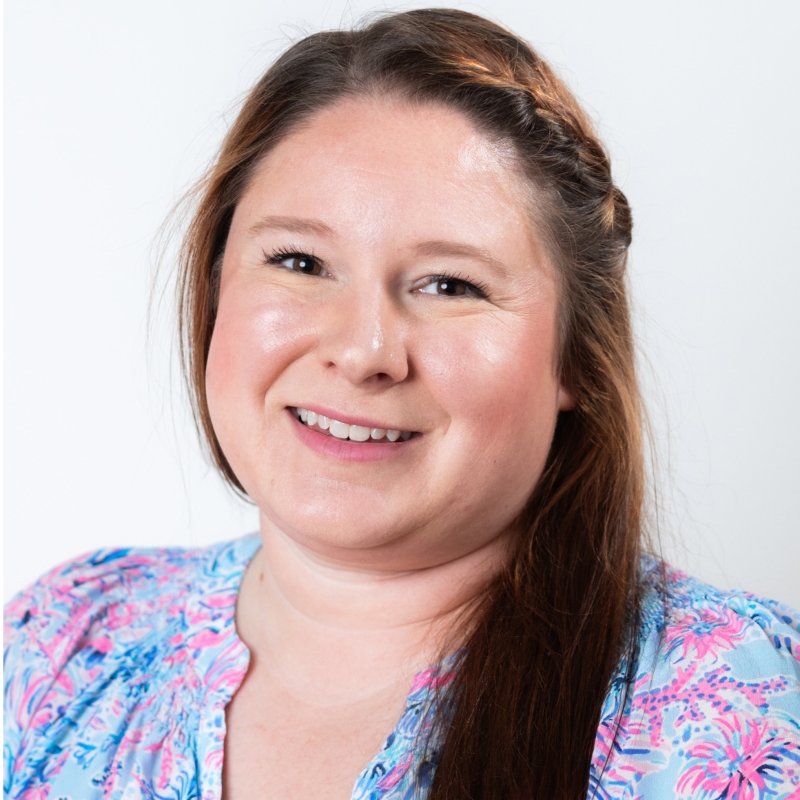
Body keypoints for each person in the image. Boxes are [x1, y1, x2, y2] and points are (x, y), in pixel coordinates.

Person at [4, 8, 799, 800]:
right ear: (215, 288)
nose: (362, 352)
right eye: (300, 261)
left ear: (575, 359)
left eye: (451, 284)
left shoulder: (742, 702)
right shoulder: (64, 643)